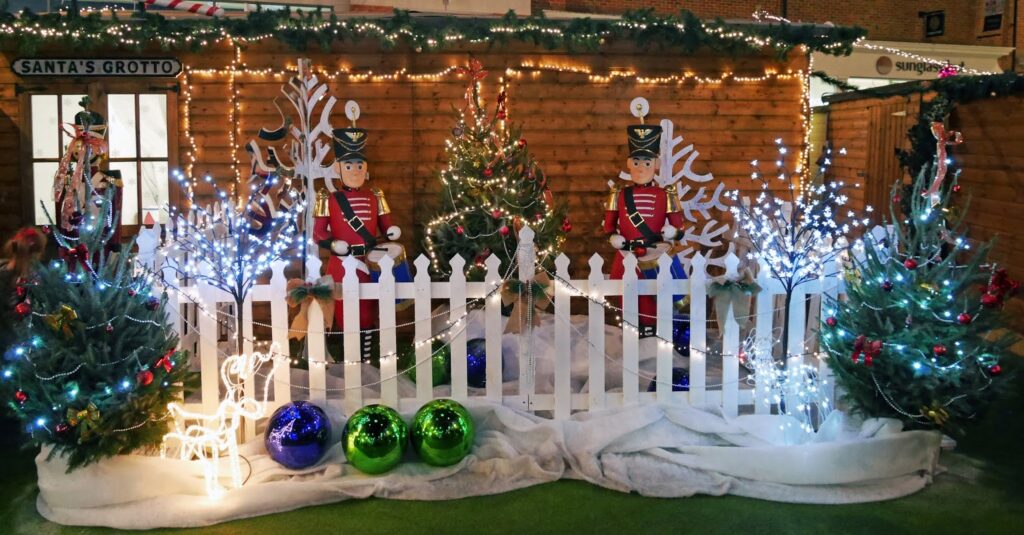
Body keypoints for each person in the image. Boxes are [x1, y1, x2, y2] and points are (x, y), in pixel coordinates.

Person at [312, 107, 400, 357]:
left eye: (360, 164)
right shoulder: (327, 198)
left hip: (369, 262)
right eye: (349, 165)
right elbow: (318, 233)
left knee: (368, 310)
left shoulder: (375, 195)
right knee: (342, 310)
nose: (355, 170)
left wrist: (391, 230)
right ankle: (346, 356)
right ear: (339, 168)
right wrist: (333, 244)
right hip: (341, 264)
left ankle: (367, 356)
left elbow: (385, 223)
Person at [604, 115, 686, 336]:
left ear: (656, 165)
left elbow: (679, 229)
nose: (641, 168)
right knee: (627, 296)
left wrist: (673, 232)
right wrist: (613, 237)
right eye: (637, 163)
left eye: (647, 163)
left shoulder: (666, 194)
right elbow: (609, 225)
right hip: (627, 254)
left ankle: (651, 332)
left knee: (653, 296)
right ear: (630, 164)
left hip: (653, 254)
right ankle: (631, 330)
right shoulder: (619, 194)